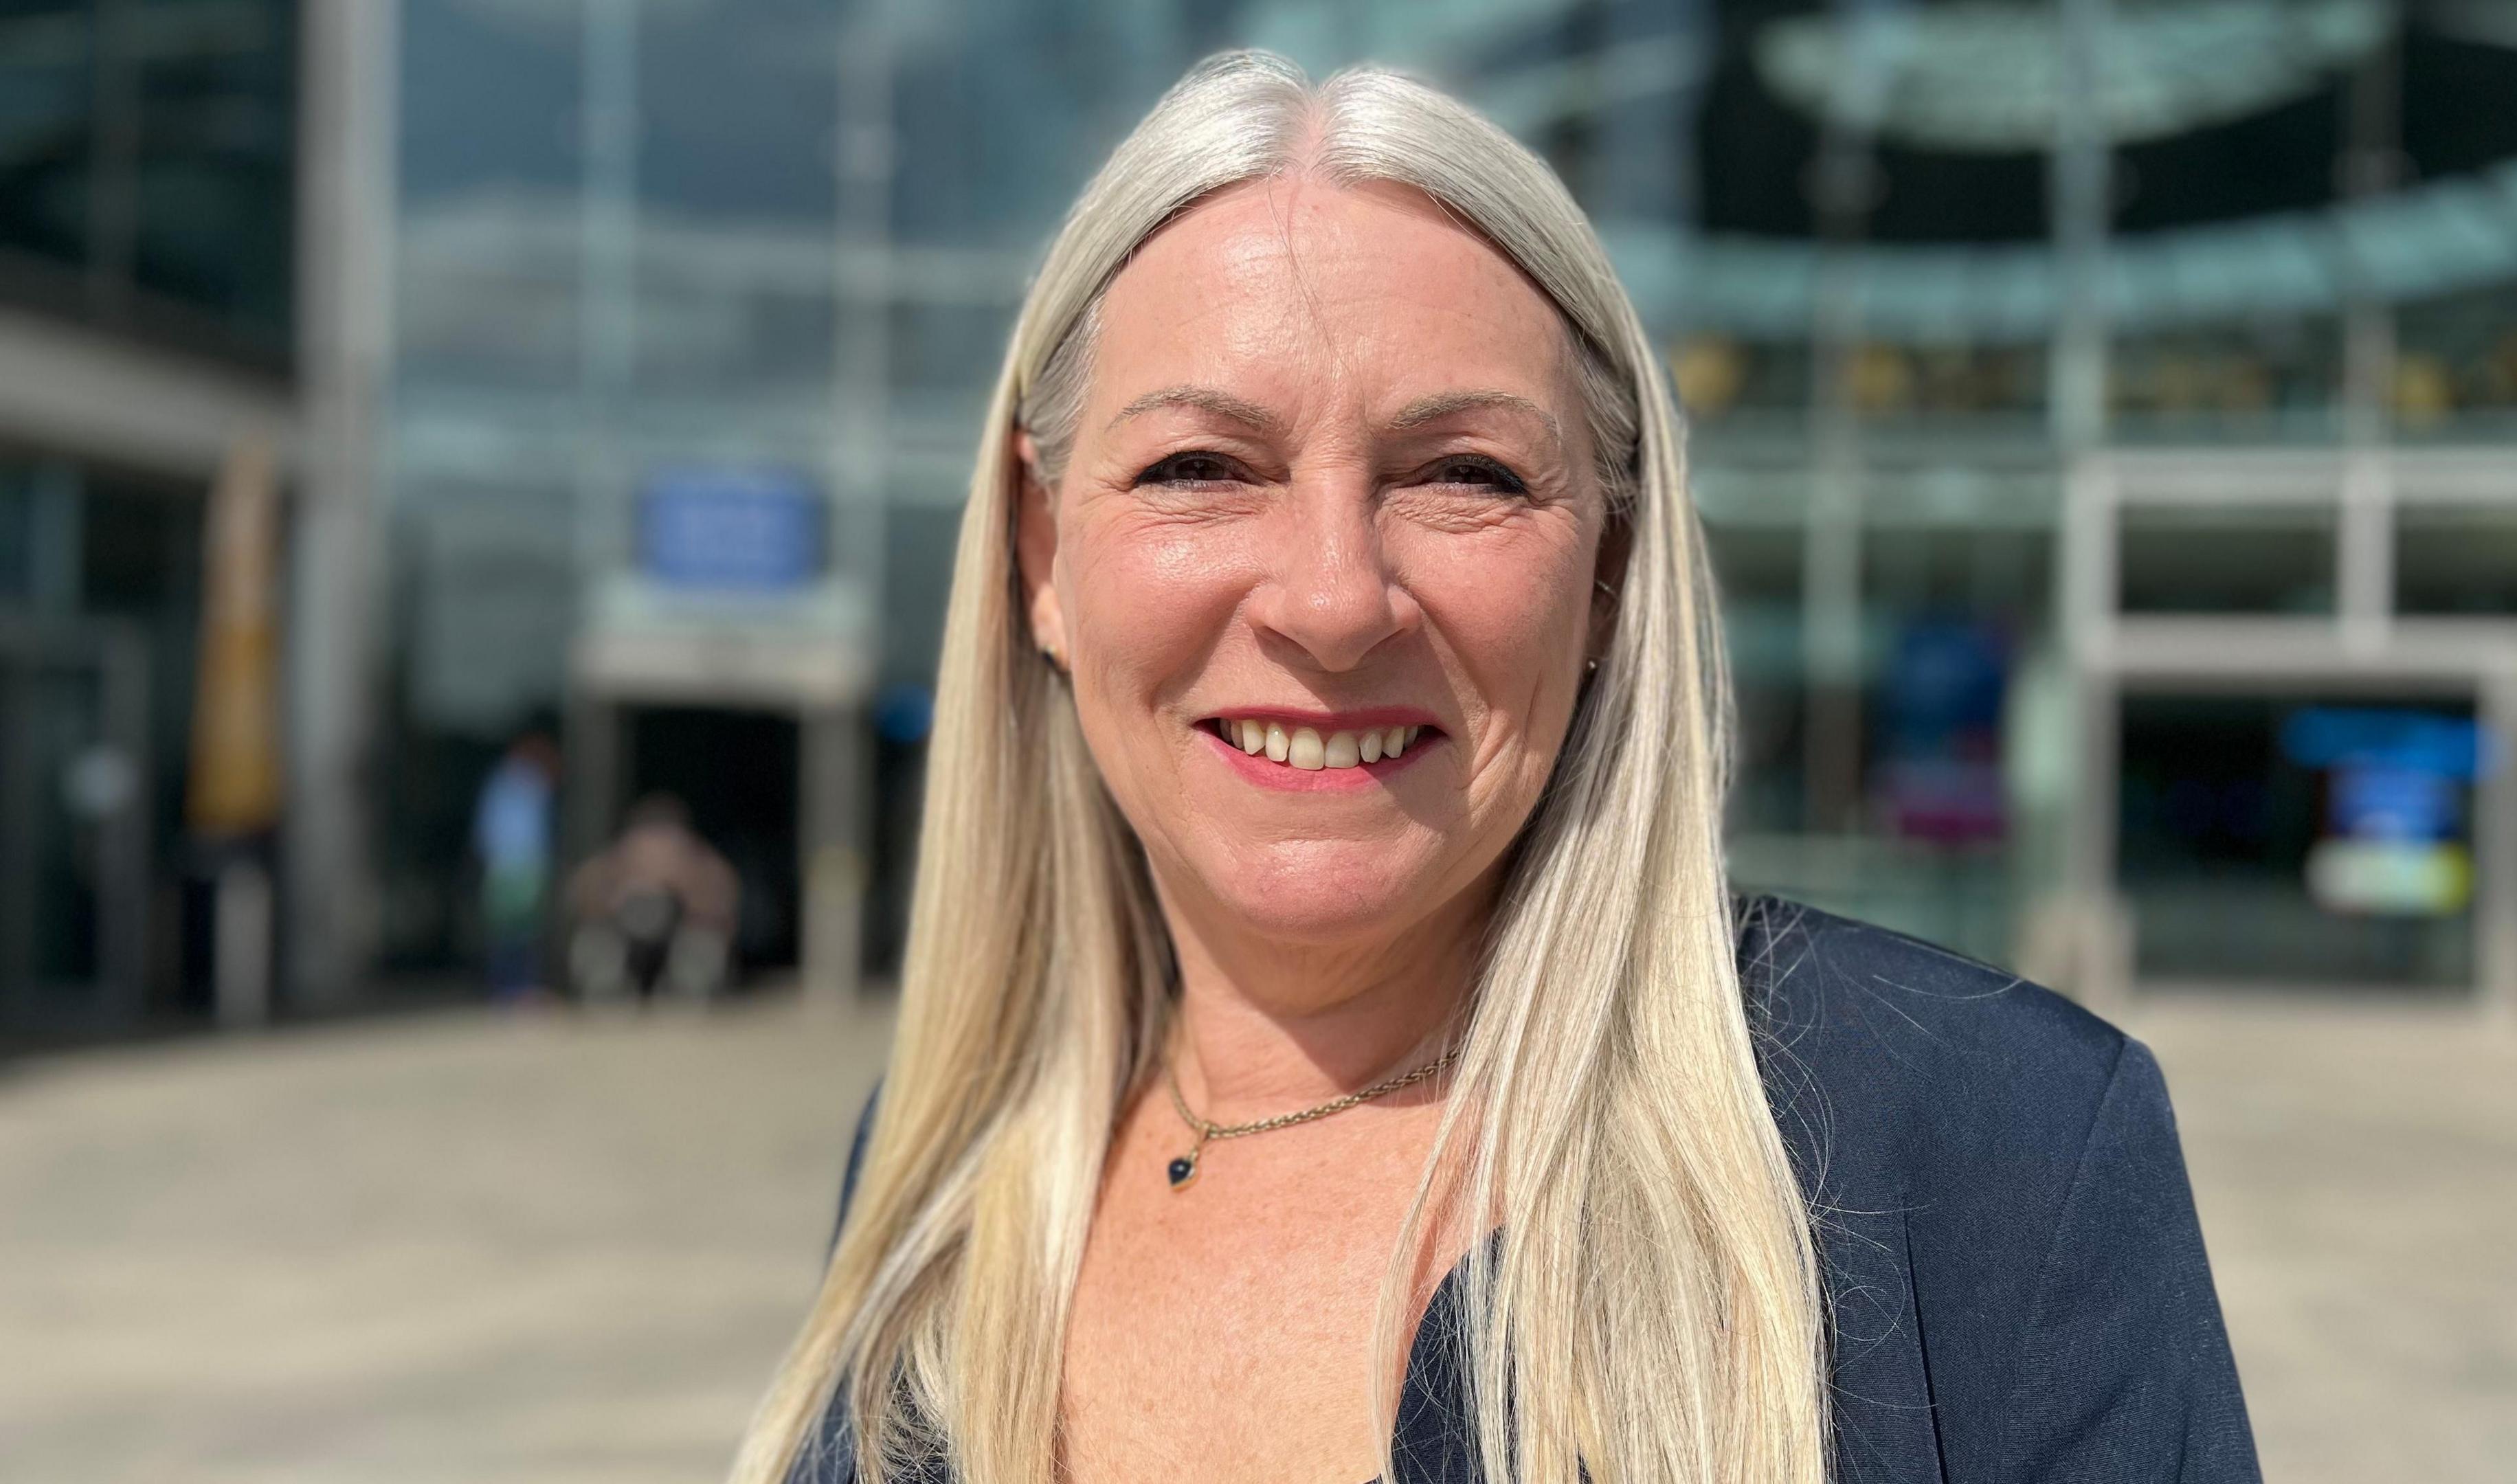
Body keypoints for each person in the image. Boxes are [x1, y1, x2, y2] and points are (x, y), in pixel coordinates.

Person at [733, 52, 2258, 1484]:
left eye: (1463, 474)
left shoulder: (2004, 1157)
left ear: (1606, 571)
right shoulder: (941, 1174)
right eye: (1201, 467)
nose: (1332, 600)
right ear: (1044, 552)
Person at [564, 792, 739, 1003]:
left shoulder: (698, 861)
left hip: (686, 931)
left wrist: (691, 899)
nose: (655, 850)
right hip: (620, 931)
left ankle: (685, 993)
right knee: (596, 938)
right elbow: (581, 889)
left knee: (700, 940)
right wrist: (611, 900)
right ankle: (608, 993)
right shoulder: (617, 858)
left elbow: (724, 893)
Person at [471, 727, 557, 1003]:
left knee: (528, 934)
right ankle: (506, 991)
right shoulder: (504, 784)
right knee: (506, 935)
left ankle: (522, 991)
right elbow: (488, 833)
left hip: (528, 871)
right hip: (507, 871)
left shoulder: (535, 785)